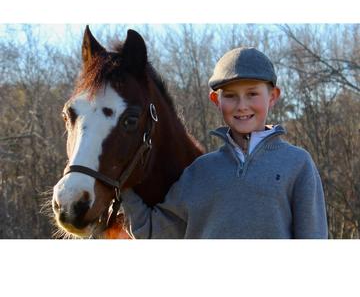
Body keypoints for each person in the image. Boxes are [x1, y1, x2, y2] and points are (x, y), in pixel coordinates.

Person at [121, 47, 328, 239]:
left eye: (252, 94)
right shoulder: (199, 172)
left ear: (273, 96)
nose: (242, 106)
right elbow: (152, 232)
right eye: (230, 96)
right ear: (216, 100)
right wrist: (122, 185)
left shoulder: (297, 164)